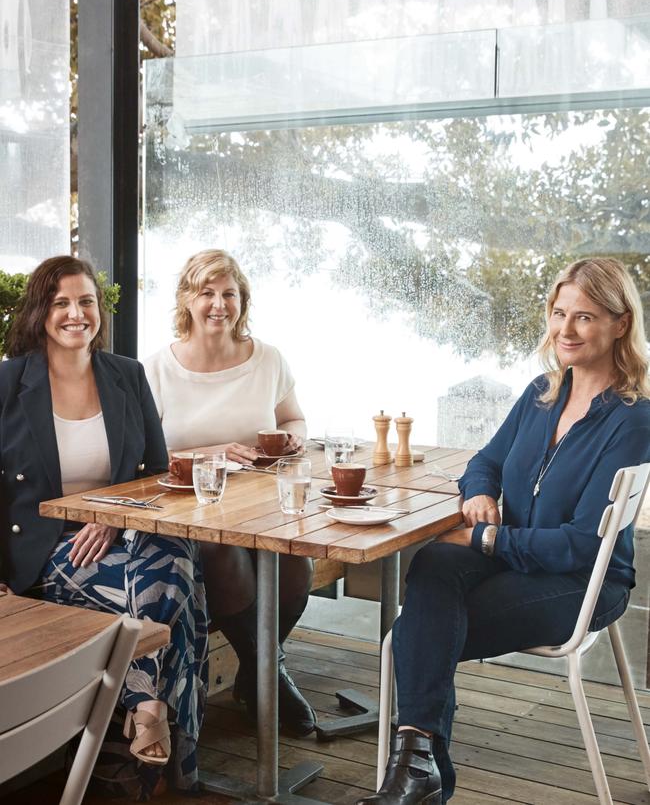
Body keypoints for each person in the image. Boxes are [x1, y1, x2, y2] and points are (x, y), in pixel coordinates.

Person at [358, 257, 650, 805]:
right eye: (559, 313)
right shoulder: (544, 391)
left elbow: (581, 543)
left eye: (584, 318)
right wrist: (479, 494)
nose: (565, 330)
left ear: (619, 324)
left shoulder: (633, 420)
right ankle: (420, 765)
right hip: (518, 557)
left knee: (421, 634)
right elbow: (484, 460)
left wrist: (485, 538)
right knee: (430, 565)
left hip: (582, 581)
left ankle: (419, 771)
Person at [0, 256, 209, 799]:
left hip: (123, 531)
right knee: (180, 589)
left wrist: (107, 517)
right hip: (46, 546)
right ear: (41, 311)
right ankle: (152, 726)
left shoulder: (126, 374)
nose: (77, 313)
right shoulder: (6, 382)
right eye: (62, 302)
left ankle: (143, 713)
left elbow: (159, 475)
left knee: (174, 558)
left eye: (86, 301)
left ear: (99, 310)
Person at [144, 249, 316, 736]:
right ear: (186, 300)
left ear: (243, 301)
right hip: (194, 510)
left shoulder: (267, 359)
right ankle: (269, 675)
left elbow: (293, 417)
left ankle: (259, 671)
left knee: (296, 562)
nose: (219, 305)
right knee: (223, 554)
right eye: (207, 294)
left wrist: (295, 436)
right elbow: (148, 459)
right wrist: (214, 452)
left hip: (261, 502)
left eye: (229, 294)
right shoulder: (156, 369)